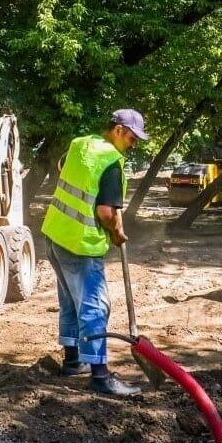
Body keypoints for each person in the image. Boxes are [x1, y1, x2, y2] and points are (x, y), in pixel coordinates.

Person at [41, 109, 148, 396]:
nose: (134, 143)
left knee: (69, 302)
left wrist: (114, 215)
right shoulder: (111, 162)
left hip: (55, 235)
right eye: (132, 137)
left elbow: (67, 170)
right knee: (94, 306)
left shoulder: (80, 144)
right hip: (80, 244)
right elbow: (104, 211)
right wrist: (116, 232)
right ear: (117, 130)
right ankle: (100, 376)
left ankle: (73, 361)